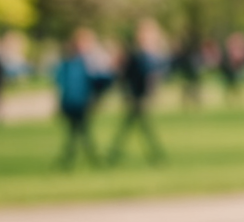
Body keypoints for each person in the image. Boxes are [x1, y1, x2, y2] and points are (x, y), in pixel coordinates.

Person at [109, 19, 167, 165]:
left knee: (135, 128)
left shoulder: (149, 56)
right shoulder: (136, 56)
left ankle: (115, 155)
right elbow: (126, 76)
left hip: (139, 97)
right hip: (136, 97)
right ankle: (155, 155)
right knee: (139, 128)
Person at [52, 28, 109, 169]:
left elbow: (100, 81)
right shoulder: (68, 62)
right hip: (71, 102)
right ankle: (88, 159)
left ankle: (72, 160)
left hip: (83, 102)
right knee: (78, 133)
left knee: (79, 132)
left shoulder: (90, 62)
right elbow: (62, 84)